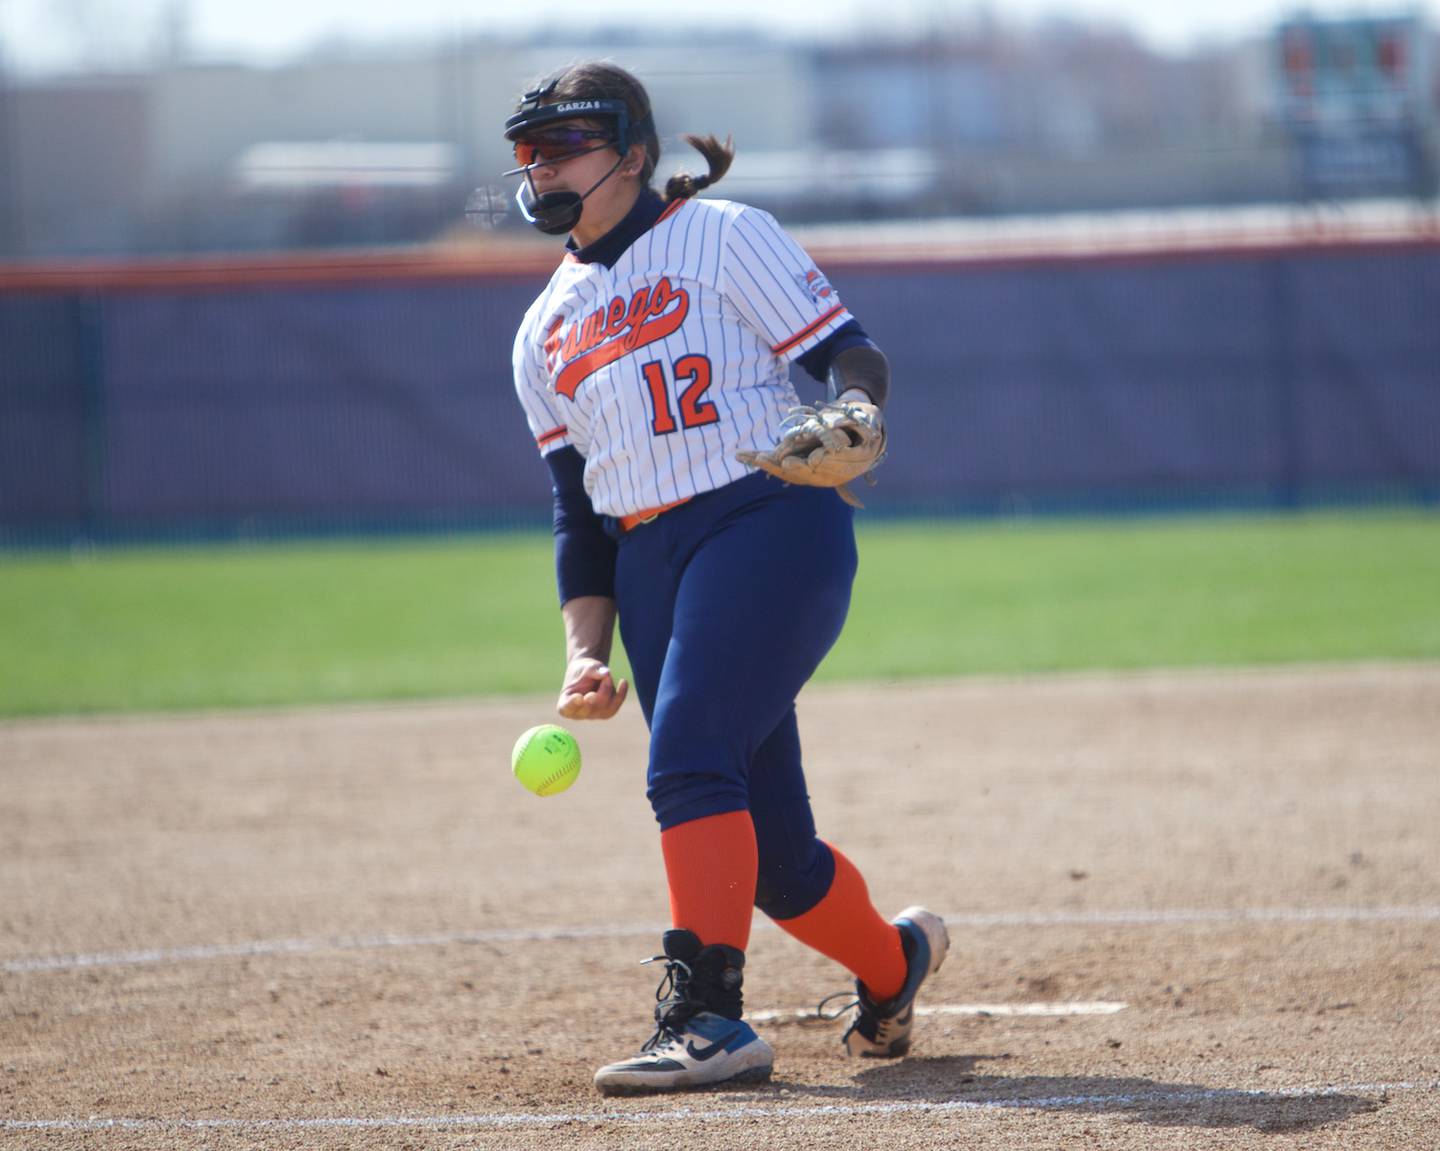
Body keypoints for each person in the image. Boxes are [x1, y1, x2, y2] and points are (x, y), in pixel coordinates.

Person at [503, 61, 948, 1096]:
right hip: (652, 566)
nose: (541, 167)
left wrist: (860, 414)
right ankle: (896, 964)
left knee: (691, 754)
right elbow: (578, 513)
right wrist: (585, 647)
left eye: (565, 143)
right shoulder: (540, 330)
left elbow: (851, 352)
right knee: (780, 862)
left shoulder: (724, 235)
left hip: (765, 516)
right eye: (528, 151)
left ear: (637, 153)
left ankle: (707, 1013)